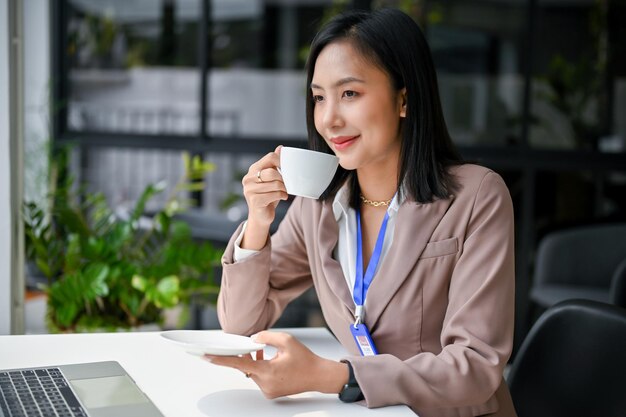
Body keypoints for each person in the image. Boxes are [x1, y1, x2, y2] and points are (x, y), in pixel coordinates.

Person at [206, 8, 517, 417]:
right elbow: (242, 325)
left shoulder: (477, 197)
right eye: (319, 97)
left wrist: (332, 376)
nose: (329, 119)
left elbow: (475, 366)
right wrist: (259, 223)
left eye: (349, 94)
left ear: (403, 99)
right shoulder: (318, 208)